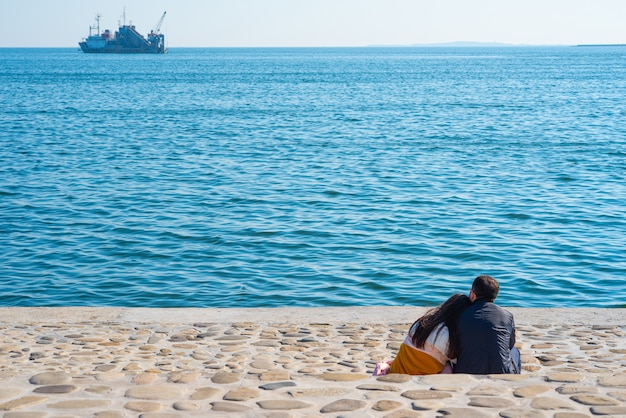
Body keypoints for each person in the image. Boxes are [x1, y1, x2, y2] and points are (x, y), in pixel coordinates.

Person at [373, 294, 471, 376]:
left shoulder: (421, 323)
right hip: (418, 377)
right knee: (449, 368)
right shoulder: (446, 336)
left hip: (396, 371)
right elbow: (459, 360)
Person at [454, 275, 522, 374]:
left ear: (472, 294)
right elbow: (510, 344)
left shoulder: (461, 314)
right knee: (515, 351)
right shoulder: (507, 316)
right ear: (495, 296)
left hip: (466, 371)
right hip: (503, 372)